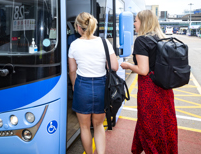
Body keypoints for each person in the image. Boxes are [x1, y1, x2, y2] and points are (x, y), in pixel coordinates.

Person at [120, 10, 178, 154]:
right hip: (164, 87)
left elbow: (143, 70)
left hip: (149, 89)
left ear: (143, 22)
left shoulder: (141, 40)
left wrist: (127, 65)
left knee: (148, 122)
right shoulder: (162, 38)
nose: (134, 24)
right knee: (164, 121)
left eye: (136, 20)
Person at [68, 12, 118, 154]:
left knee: (84, 127)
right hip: (101, 86)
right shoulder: (104, 42)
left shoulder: (74, 45)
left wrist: (74, 85)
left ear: (78, 27)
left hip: (81, 86)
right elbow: (114, 66)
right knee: (98, 125)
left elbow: (72, 71)